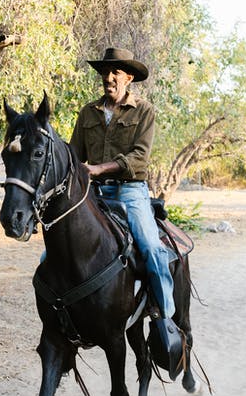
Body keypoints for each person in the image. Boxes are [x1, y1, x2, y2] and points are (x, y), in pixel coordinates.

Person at [70, 46, 183, 379]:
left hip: (130, 191)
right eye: (105, 72)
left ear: (128, 77)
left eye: (116, 72)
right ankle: (65, 316)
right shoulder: (87, 113)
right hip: (93, 193)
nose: (109, 78)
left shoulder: (144, 111)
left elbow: (139, 158)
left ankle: (165, 316)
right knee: (55, 251)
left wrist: (100, 169)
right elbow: (76, 155)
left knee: (150, 247)